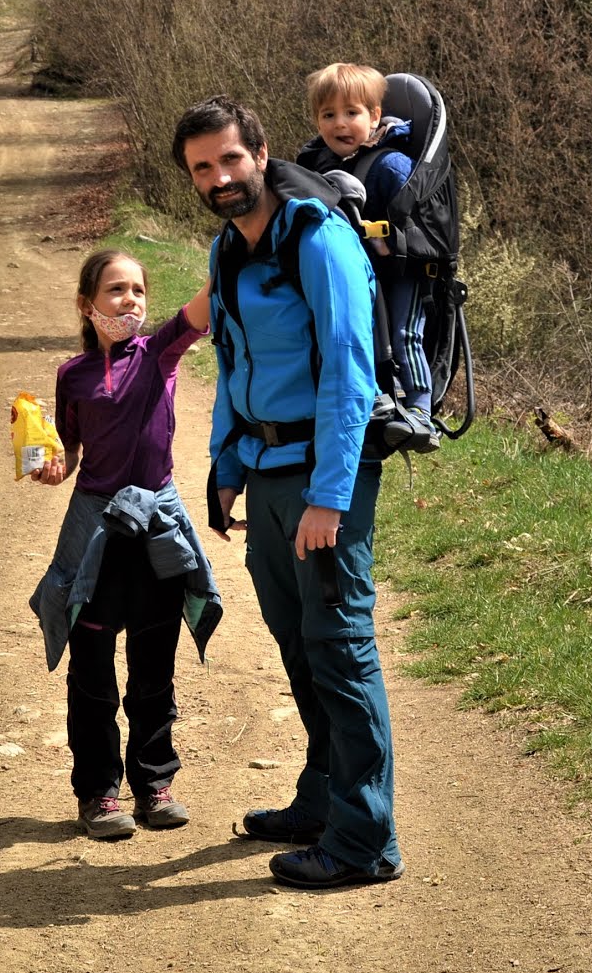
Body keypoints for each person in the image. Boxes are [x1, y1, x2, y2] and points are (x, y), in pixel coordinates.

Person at [174, 94, 405, 889]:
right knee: (297, 643)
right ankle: (323, 798)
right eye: (202, 167)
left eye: (230, 159)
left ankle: (366, 840)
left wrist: (331, 497)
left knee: (339, 647)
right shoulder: (224, 251)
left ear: (262, 153)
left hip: (322, 477)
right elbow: (231, 364)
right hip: (266, 472)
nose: (219, 177)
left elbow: (348, 372)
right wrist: (225, 468)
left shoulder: (318, 238)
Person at [29, 250, 221, 840]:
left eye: (138, 289)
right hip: (95, 528)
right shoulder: (72, 375)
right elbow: (68, 456)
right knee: (91, 670)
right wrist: (44, 465)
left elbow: (203, 307)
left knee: (154, 665)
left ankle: (154, 784)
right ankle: (98, 793)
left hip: (158, 523)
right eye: (116, 290)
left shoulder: (159, 354)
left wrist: (247, 243)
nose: (130, 300)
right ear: (87, 306)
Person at [301, 61, 438, 452]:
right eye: (328, 115)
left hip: (402, 270)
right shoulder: (320, 166)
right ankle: (382, 400)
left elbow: (418, 217)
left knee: (403, 334)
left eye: (351, 113)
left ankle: (421, 411)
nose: (340, 124)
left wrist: (386, 237)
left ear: (374, 115)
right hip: (360, 274)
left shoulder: (390, 164)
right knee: (366, 338)